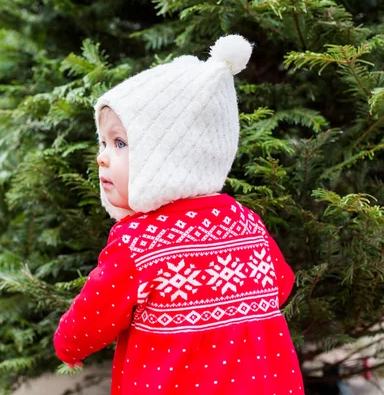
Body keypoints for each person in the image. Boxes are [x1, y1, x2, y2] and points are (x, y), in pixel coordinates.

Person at [53, 34, 304, 394]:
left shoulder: (139, 243)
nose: (102, 156)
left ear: (171, 155)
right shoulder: (244, 219)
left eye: (120, 143)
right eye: (103, 142)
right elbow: (281, 284)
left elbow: (93, 314)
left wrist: (69, 345)